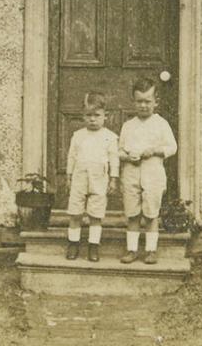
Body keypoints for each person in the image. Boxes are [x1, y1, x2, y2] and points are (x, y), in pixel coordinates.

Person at [118, 77, 176, 264]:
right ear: (133, 102)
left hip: (153, 174)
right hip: (131, 173)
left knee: (151, 213)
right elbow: (119, 151)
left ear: (155, 102)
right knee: (132, 213)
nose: (143, 105)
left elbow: (172, 147)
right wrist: (127, 157)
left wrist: (155, 151)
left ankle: (151, 250)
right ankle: (132, 249)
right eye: (139, 101)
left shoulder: (161, 124)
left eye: (147, 101)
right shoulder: (128, 126)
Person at [64, 91, 120, 261]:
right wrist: (68, 176)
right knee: (75, 213)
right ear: (83, 116)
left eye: (97, 115)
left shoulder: (109, 137)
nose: (92, 119)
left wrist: (113, 178)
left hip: (99, 179)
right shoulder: (78, 136)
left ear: (105, 116)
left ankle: (93, 246)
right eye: (88, 115)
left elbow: (114, 159)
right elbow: (71, 156)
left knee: (96, 215)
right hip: (79, 177)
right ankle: (73, 244)